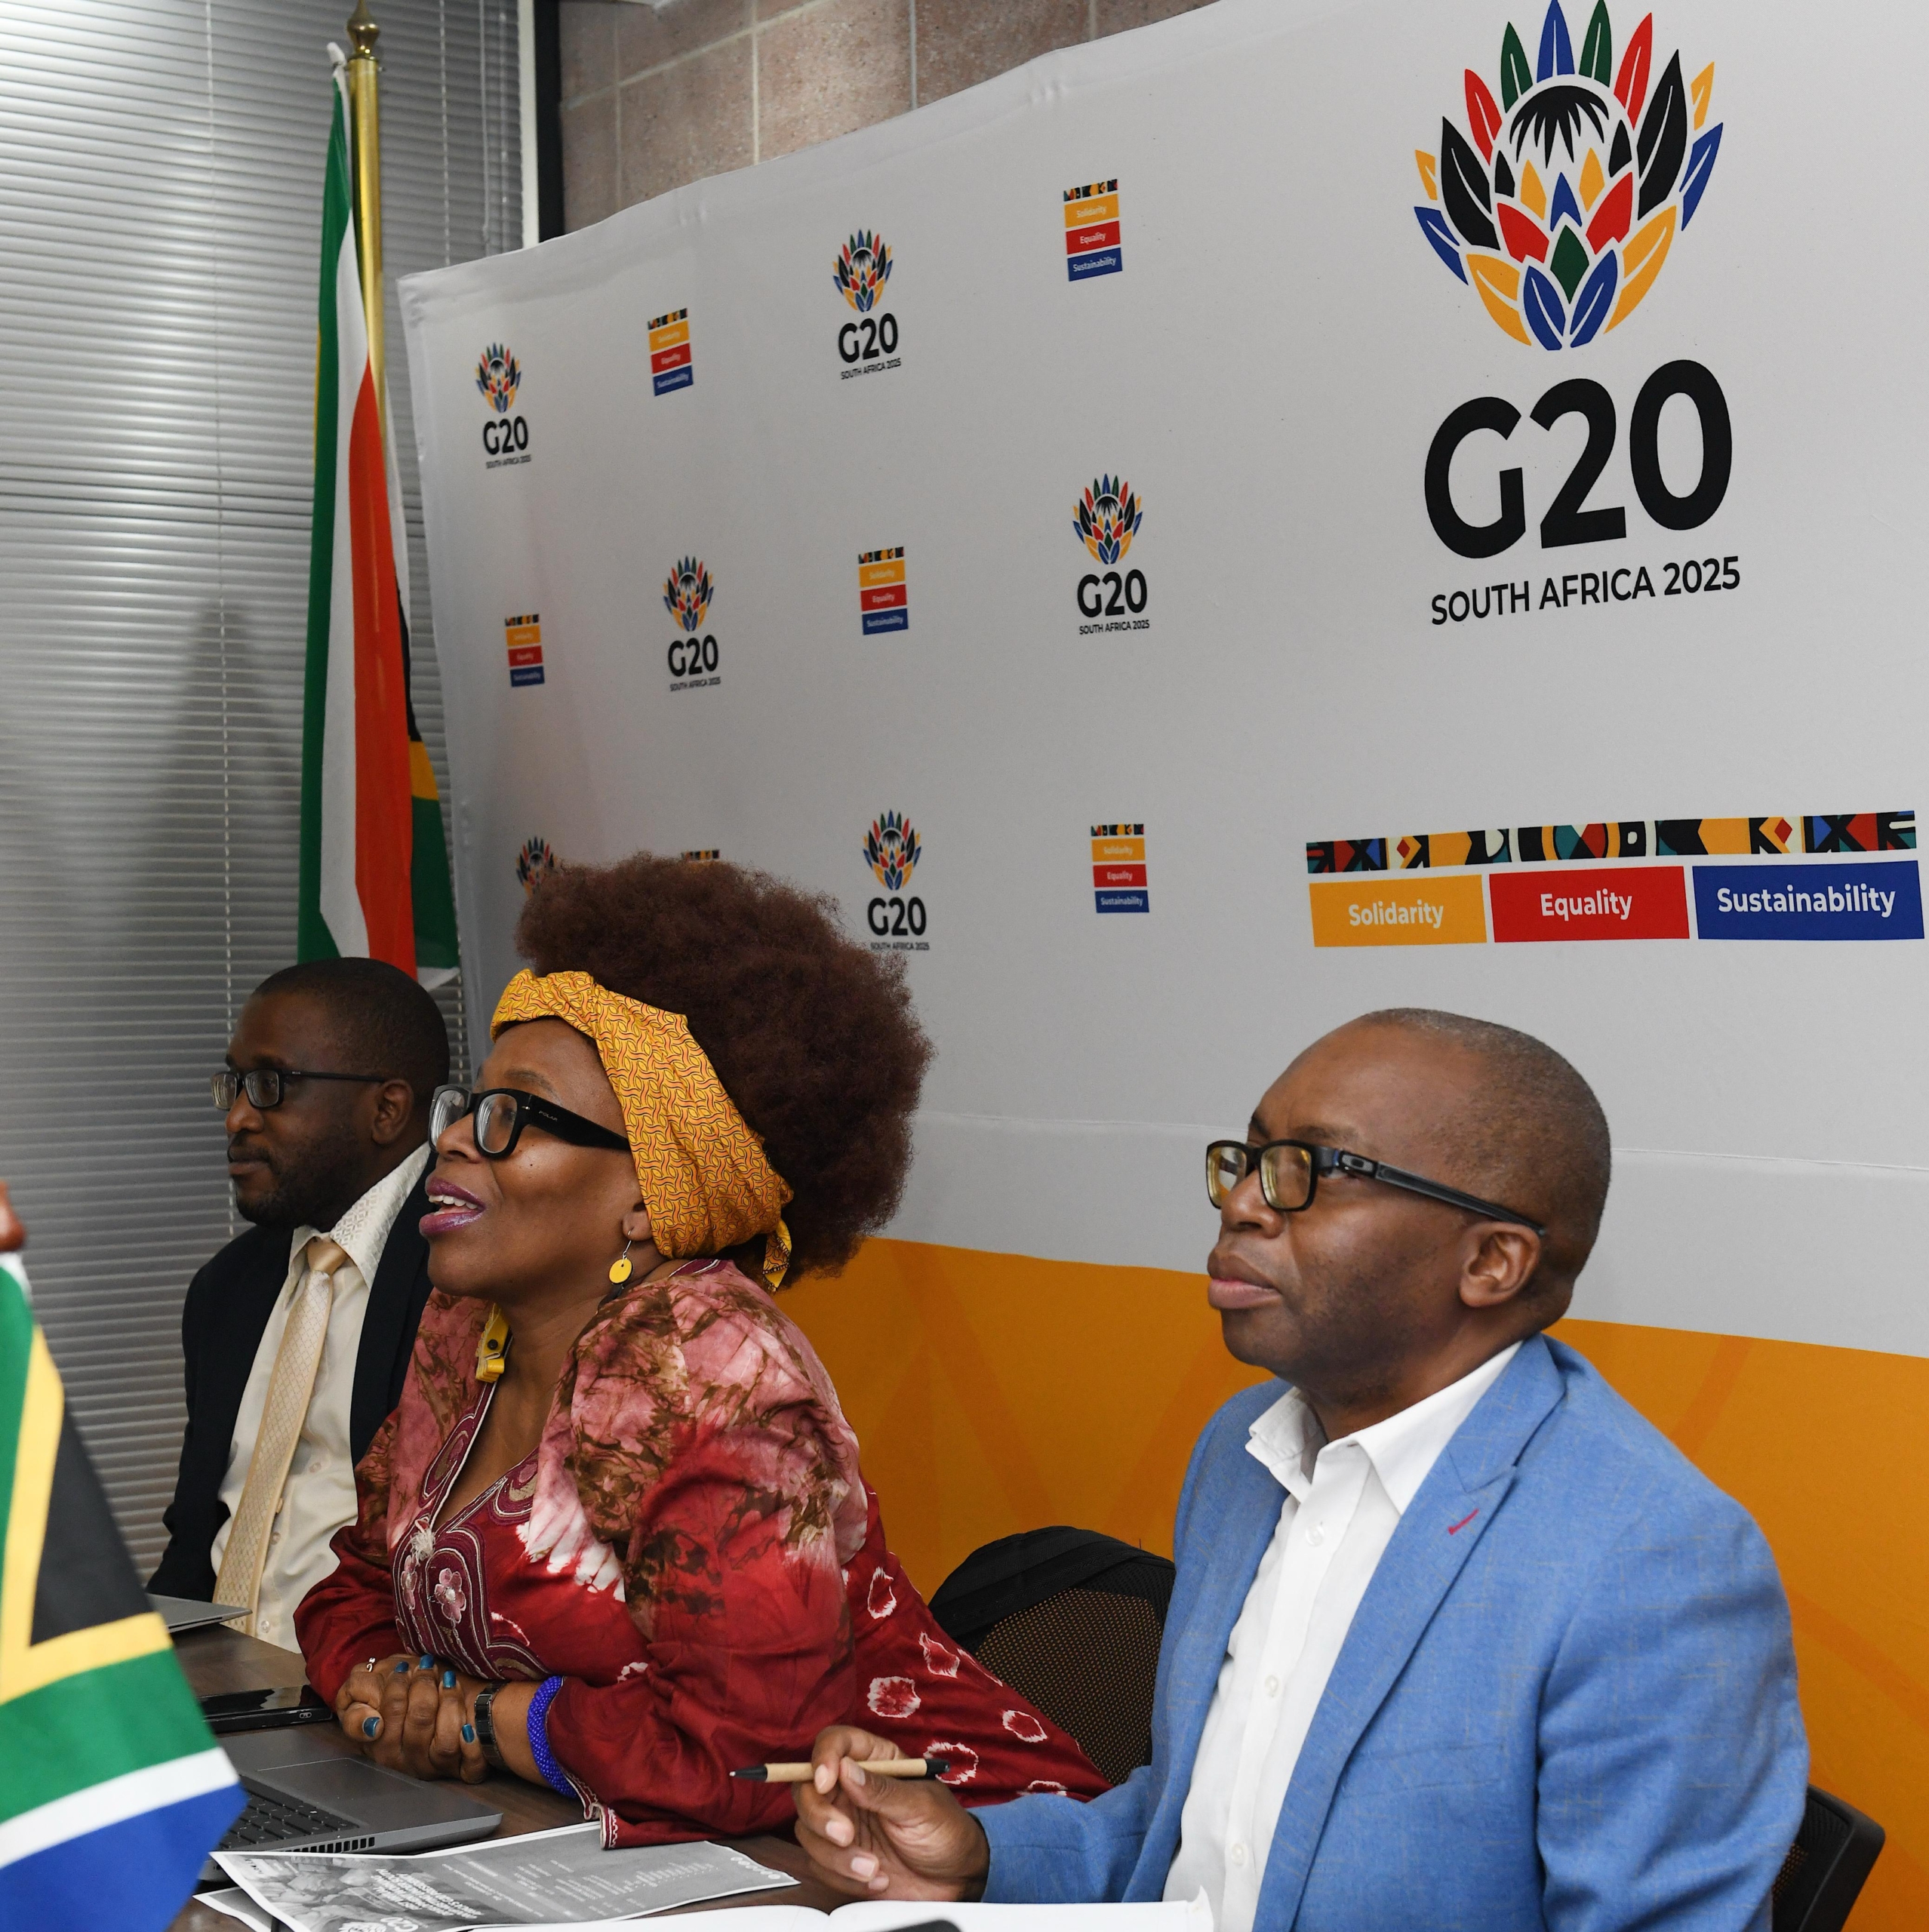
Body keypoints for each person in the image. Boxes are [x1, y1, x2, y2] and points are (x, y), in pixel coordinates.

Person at [793, 1010, 1809, 1930]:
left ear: (1490, 1263)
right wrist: (983, 1856)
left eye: (1310, 1171)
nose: (1243, 1203)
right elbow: (1201, 1828)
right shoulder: (1242, 1450)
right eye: (1247, 1159)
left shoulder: (1648, 1558)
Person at [294, 854, 1106, 1844]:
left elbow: (748, 1752)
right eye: (466, 1105)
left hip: (934, 1854)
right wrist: (386, 1692)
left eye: (512, 1118)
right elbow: (357, 1584)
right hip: (610, 1847)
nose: (456, 1139)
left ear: (653, 1195)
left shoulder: (710, 1366)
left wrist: (480, 1719)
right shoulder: (465, 1327)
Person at [149, 958, 449, 1650]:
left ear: (386, 1110)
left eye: (270, 1086)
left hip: (371, 1685)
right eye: (234, 1084)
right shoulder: (226, 1289)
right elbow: (195, 1537)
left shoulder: (465, 1285)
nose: (237, 1117)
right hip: (217, 1679)